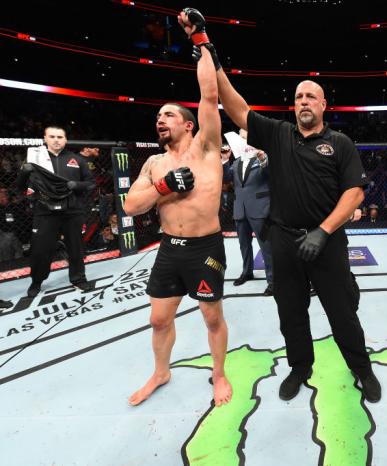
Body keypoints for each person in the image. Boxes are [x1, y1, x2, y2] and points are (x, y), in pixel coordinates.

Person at [184, 11, 381, 403]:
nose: (303, 101)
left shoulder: (340, 143)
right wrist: (205, 45)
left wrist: (323, 231)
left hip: (326, 243)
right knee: (291, 313)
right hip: (284, 241)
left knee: (343, 313)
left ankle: (362, 369)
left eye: (311, 96)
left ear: (324, 104)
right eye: (298, 97)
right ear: (292, 106)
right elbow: (234, 105)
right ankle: (299, 367)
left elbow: (354, 193)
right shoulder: (278, 134)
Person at [123, 8, 232, 407]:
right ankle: (161, 371)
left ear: (189, 124)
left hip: (206, 249)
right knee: (158, 319)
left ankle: (219, 375)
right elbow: (133, 206)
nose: (160, 119)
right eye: (157, 116)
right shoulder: (154, 164)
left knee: (211, 317)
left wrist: (200, 39)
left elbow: (210, 95)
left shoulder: (205, 149)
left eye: (168, 114)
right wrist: (164, 186)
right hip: (170, 249)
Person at [15, 125, 96, 297]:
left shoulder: (77, 159)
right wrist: (24, 172)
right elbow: (19, 187)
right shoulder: (35, 160)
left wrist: (76, 185)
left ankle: (78, 279)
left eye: (60, 137)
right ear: (45, 138)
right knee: (40, 249)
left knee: (76, 247)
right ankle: (36, 281)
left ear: (65, 140)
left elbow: (91, 183)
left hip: (72, 210)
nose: (56, 140)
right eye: (52, 136)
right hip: (45, 211)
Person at [222, 129, 274, 296]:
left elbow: (270, 174)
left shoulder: (263, 158)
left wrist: (264, 159)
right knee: (244, 245)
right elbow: (225, 179)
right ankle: (247, 272)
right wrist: (224, 159)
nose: (243, 139)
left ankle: (273, 280)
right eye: (241, 137)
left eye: (245, 136)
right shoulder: (236, 162)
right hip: (240, 209)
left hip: (260, 209)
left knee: (266, 246)